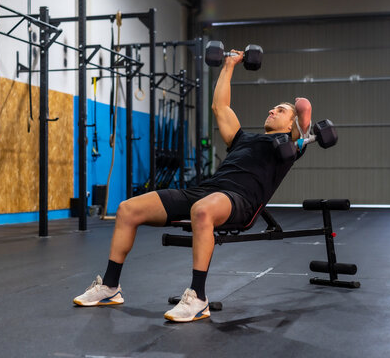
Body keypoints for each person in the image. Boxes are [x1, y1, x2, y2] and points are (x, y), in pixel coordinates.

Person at [73, 49, 312, 323]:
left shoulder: (289, 147)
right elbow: (220, 107)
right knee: (128, 209)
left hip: (239, 201)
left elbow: (304, 115)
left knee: (201, 210)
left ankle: (198, 297)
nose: (271, 110)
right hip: (206, 191)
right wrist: (229, 64)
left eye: (280, 110)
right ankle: (110, 287)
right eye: (273, 108)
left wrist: (300, 108)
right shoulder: (242, 138)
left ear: (290, 124)